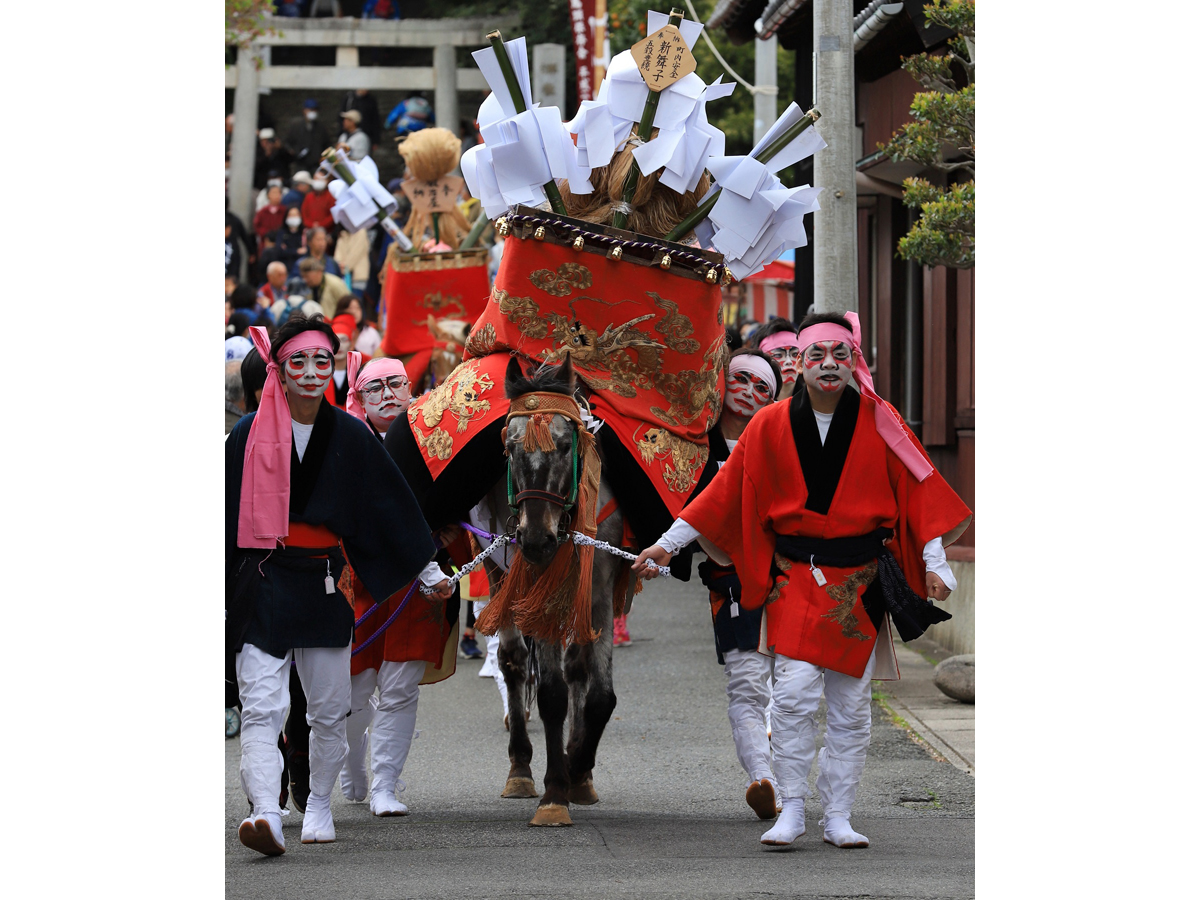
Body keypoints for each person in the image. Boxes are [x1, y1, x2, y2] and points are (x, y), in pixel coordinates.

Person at [634, 311, 971, 850]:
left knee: (851, 702)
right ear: (799, 365)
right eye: (817, 355)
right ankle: (791, 807)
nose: (829, 365)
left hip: (858, 581)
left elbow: (918, 492)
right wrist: (666, 544)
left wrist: (935, 562)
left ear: (854, 360)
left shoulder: (881, 421)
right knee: (791, 696)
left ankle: (838, 814)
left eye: (841, 354)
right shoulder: (769, 425)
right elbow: (720, 498)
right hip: (793, 576)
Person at [226, 315, 450, 856]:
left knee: (327, 710)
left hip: (324, 582)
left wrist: (429, 573)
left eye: (320, 362)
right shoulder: (244, 434)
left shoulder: (349, 434)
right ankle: (265, 814)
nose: (309, 372)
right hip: (262, 580)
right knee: (262, 707)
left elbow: (390, 506)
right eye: (297, 361)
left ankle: (320, 803)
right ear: (278, 368)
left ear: (333, 368)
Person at [339, 352, 454, 816]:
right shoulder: (345, 445)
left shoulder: (438, 444)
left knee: (401, 687)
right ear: (359, 398)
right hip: (360, 584)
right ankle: (351, 766)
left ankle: (387, 784)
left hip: (419, 589)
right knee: (354, 689)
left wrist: (453, 530)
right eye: (374, 388)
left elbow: (461, 504)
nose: (387, 395)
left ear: (412, 388)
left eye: (396, 384)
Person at [693, 348, 784, 819]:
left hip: (792, 579)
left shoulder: (784, 443)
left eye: (762, 387)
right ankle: (762, 778)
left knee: (793, 689)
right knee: (747, 685)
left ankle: (790, 785)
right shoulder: (691, 447)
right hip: (729, 582)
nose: (748, 392)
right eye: (740, 379)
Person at [751, 318, 802, 399]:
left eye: (795, 354)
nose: (788, 361)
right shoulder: (753, 398)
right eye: (778, 355)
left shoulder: (812, 401)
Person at [284, 99, 331, 174]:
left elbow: (327, 144)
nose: (313, 112)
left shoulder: (321, 127)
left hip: (316, 164)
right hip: (300, 164)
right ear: (304, 110)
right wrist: (293, 152)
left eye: (315, 110)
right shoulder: (296, 125)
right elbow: (287, 142)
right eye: (311, 109)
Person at [253, 185, 288, 252]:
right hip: (266, 244)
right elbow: (257, 226)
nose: (277, 195)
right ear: (268, 195)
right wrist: (267, 234)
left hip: (282, 243)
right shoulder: (262, 212)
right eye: (274, 192)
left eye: (279, 193)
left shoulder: (285, 211)